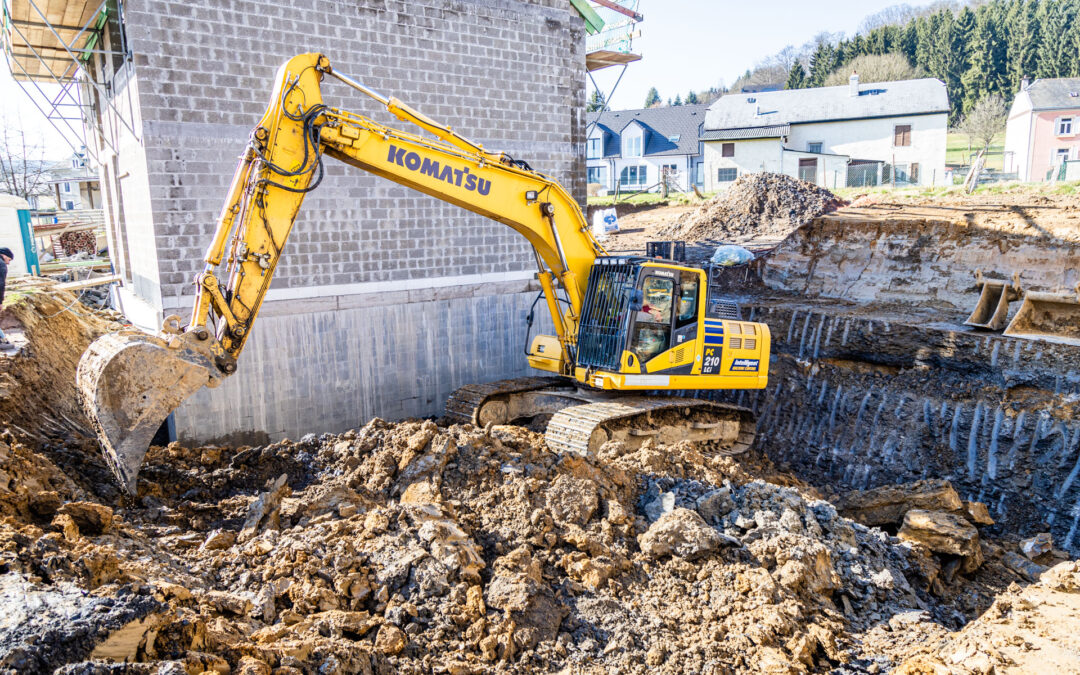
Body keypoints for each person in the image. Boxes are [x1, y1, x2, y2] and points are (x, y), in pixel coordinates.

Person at [0, 248, 13, 349]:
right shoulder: (1, 265)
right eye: (9, 259)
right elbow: (0, 284)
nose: (8, 263)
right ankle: (2, 340)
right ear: (4, 255)